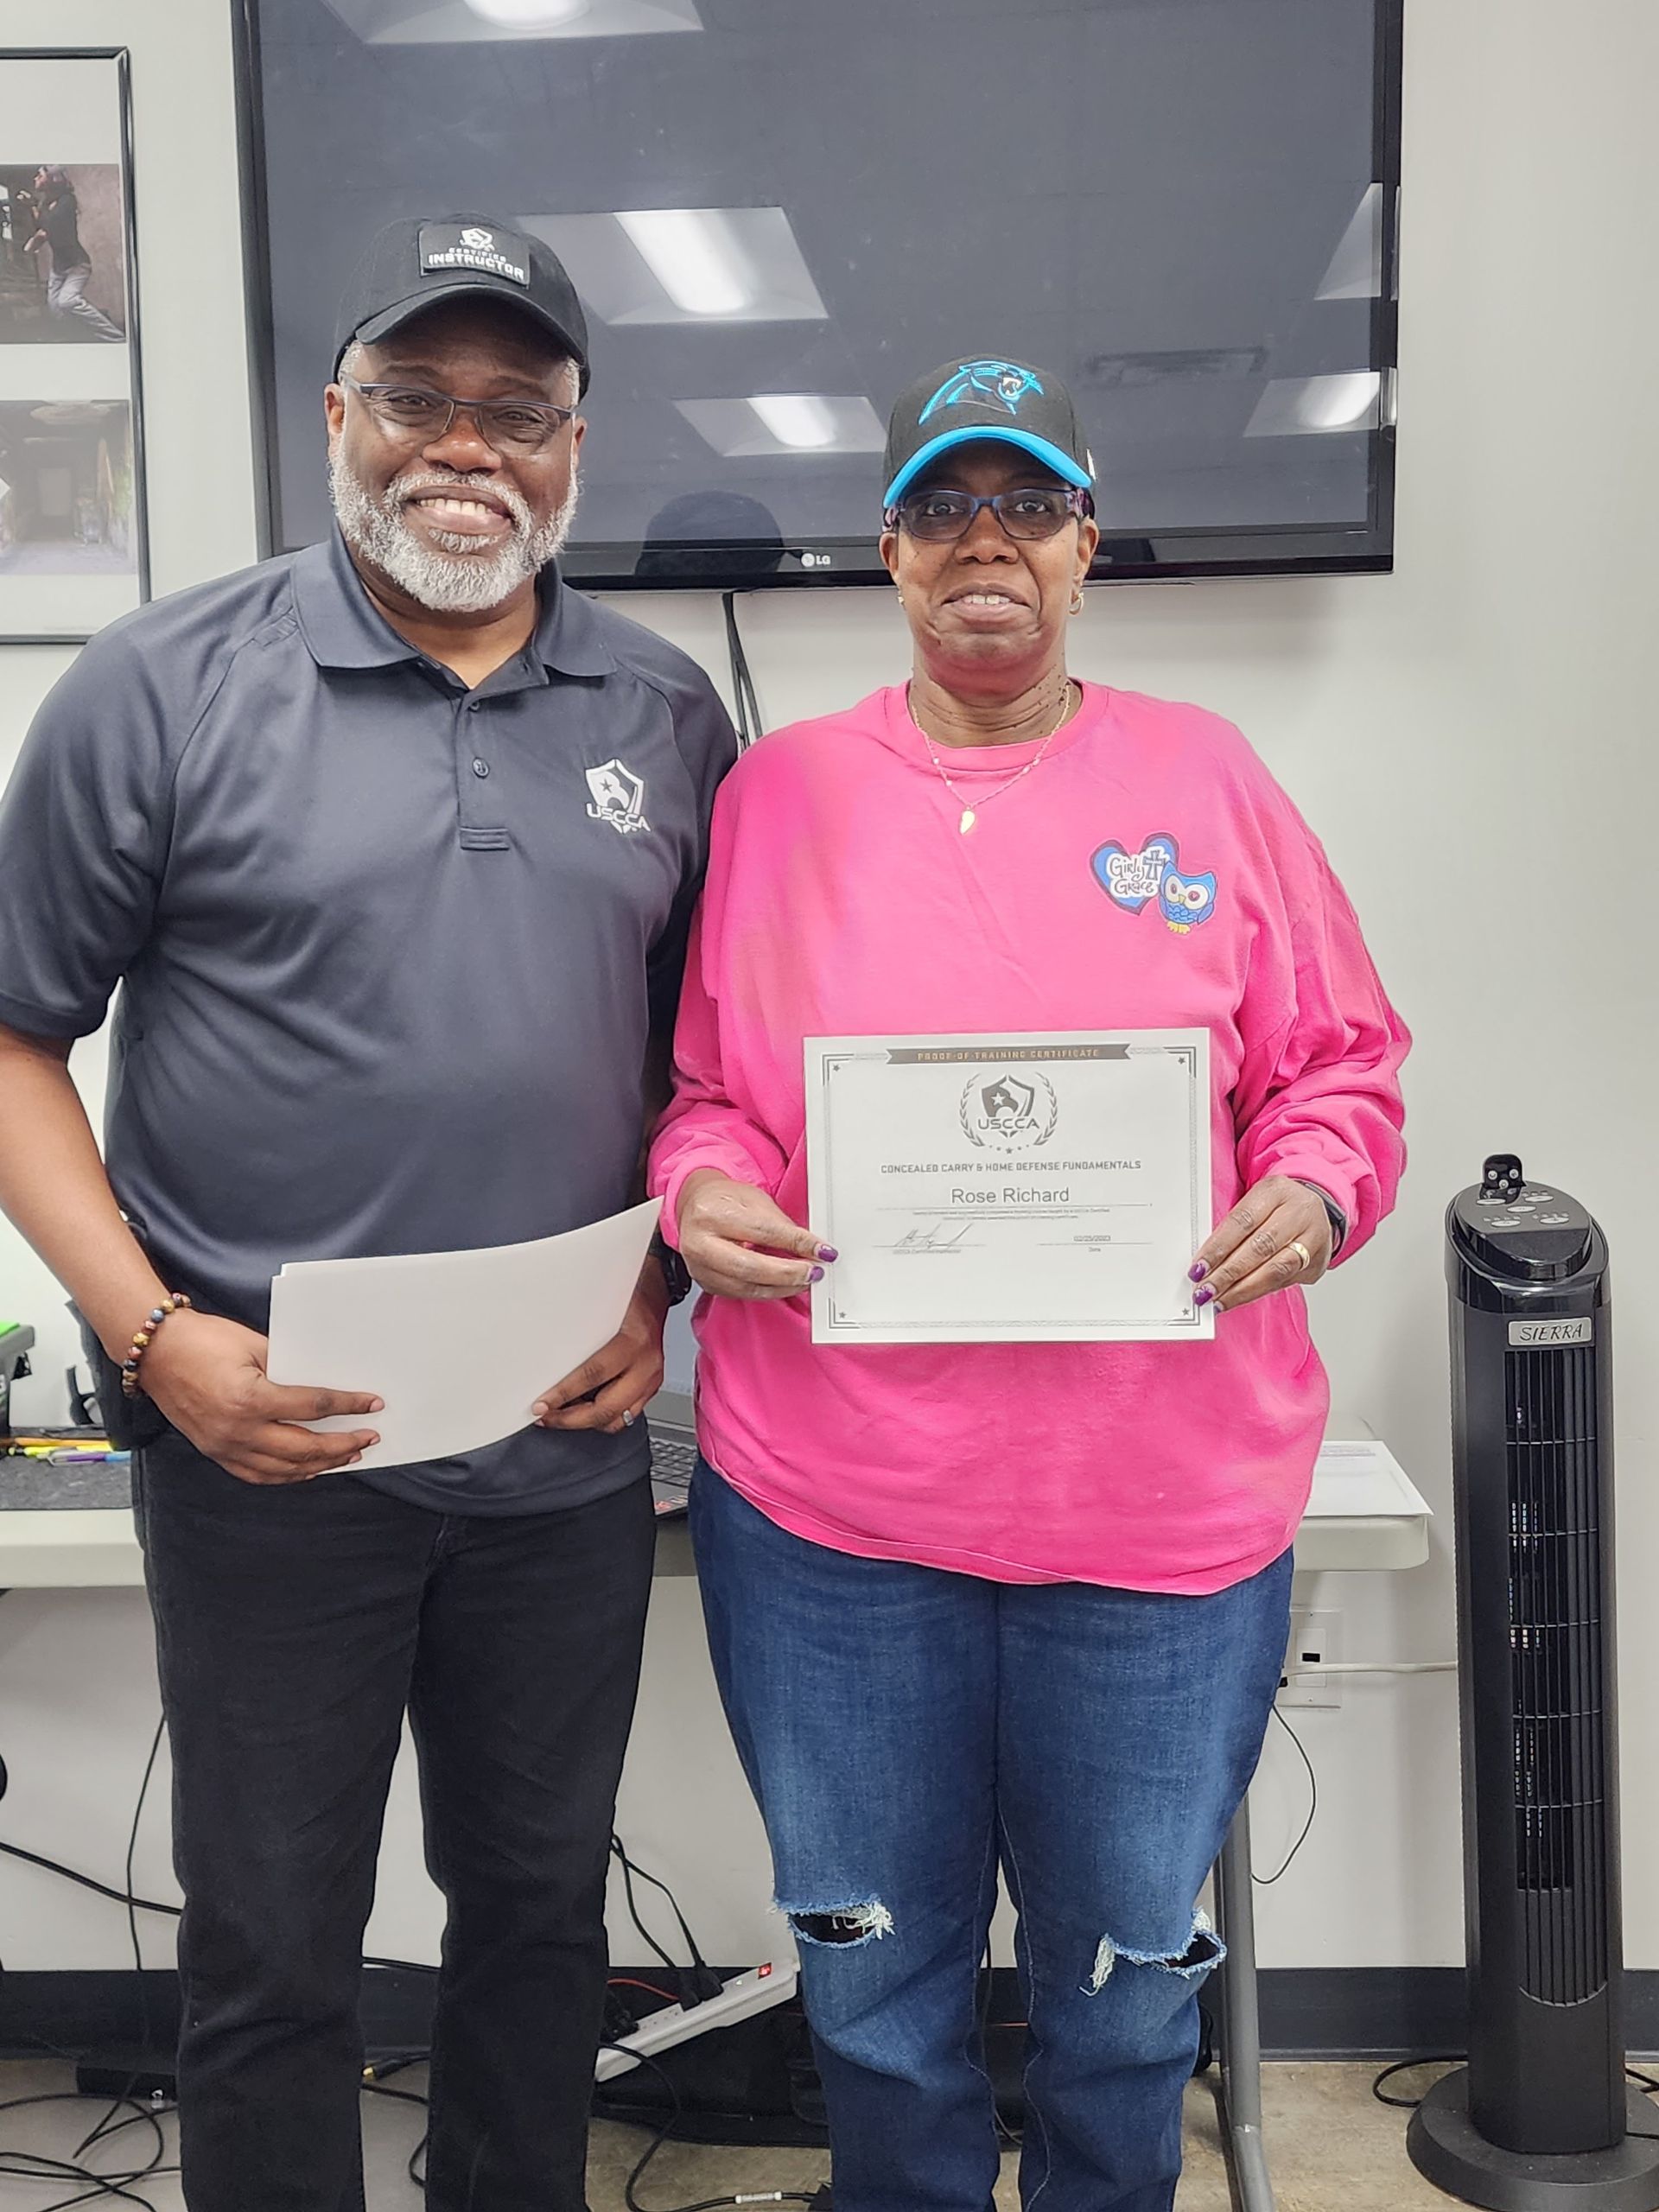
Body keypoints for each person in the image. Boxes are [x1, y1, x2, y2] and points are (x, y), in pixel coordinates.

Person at [0, 214, 734, 2211]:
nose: (462, 447)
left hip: (560, 1451)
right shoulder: (158, 686)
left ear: (576, 447)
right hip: (265, 1444)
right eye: (418, 396)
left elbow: (710, 1074)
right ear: (339, 415)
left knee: (536, 1909)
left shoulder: (666, 714)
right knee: (269, 1931)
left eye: (516, 409)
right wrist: (155, 1339)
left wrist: (660, 1287)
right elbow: (11, 1044)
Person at [648, 356, 1409, 2212]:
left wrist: (1313, 1188)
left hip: (1156, 1519)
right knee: (873, 1978)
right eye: (939, 510)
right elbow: (702, 1101)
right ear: (889, 554)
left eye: (1027, 508)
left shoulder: (1208, 778)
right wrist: (706, 1192)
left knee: (1129, 1985)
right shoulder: (783, 795)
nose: (984, 545)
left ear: (1085, 541)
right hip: (838, 1518)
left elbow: (1342, 1070)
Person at [22, 168, 125, 341]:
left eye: (40, 175)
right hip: (59, 267)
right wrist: (33, 206)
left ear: (53, 179)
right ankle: (82, 338)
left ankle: (118, 338)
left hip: (77, 265)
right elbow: (43, 225)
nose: (35, 178)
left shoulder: (67, 201)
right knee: (56, 310)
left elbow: (50, 226)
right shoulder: (47, 204)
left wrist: (34, 215)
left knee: (67, 301)